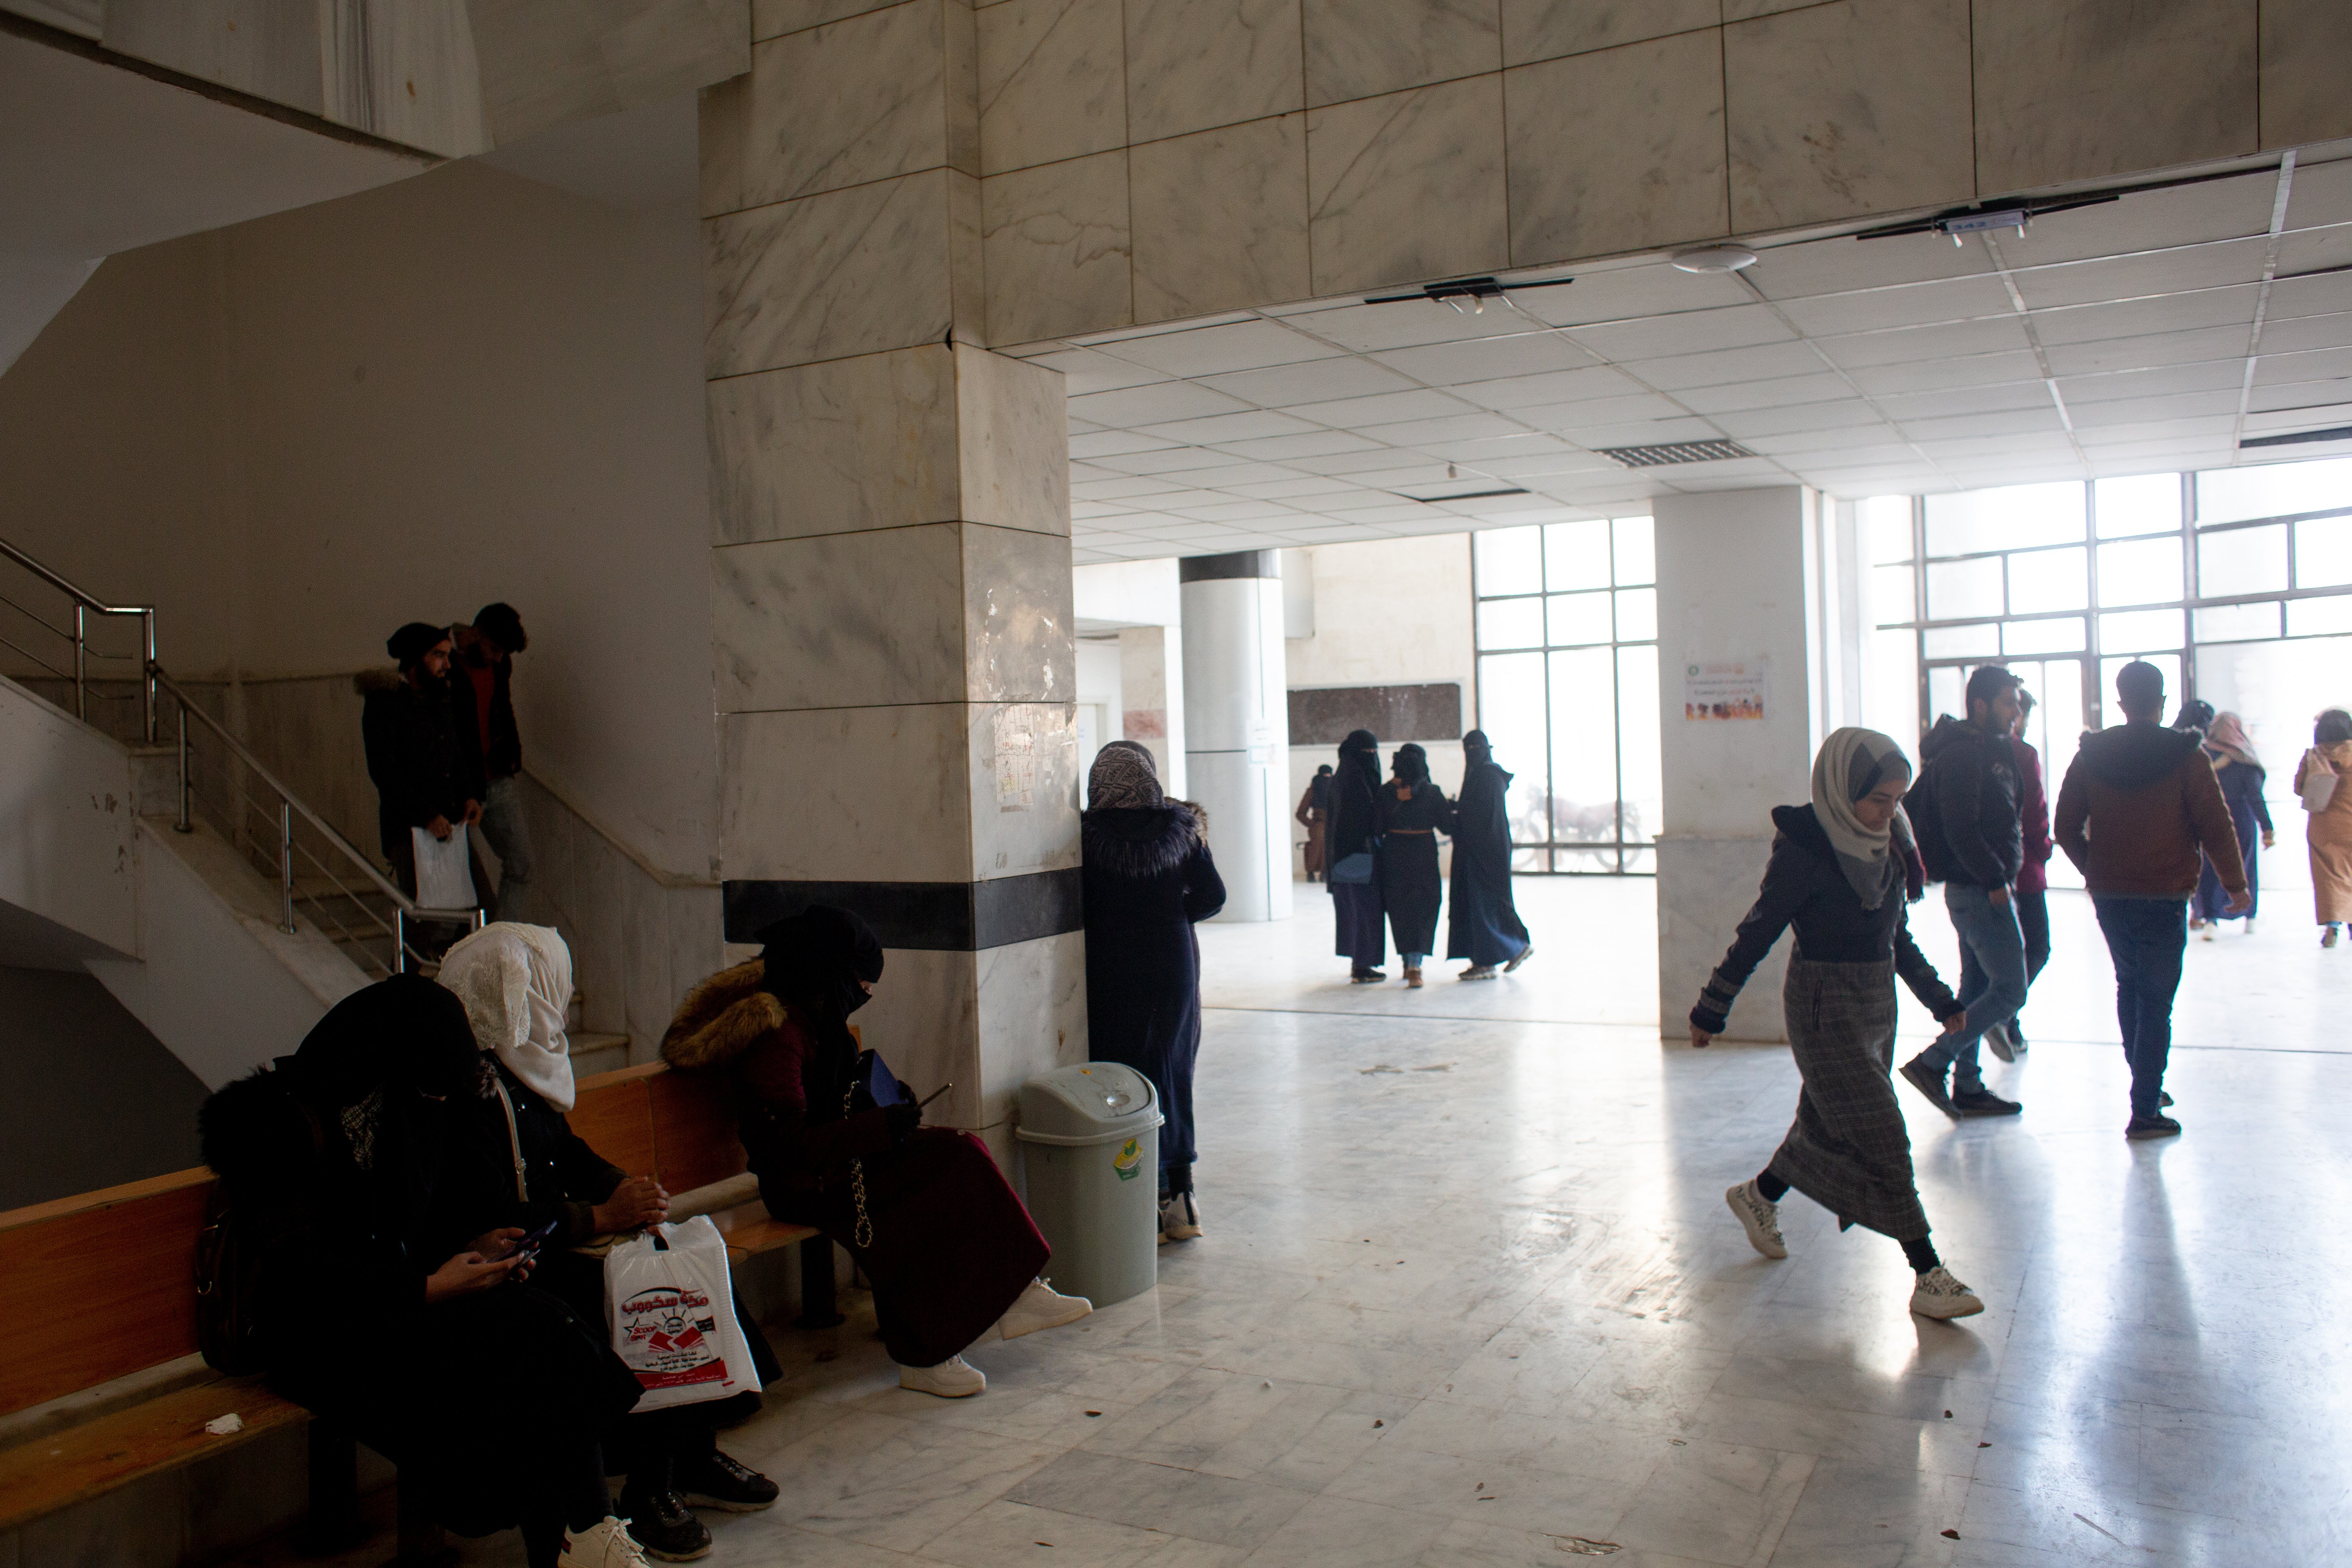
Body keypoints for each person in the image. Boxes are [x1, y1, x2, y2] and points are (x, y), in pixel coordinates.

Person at [198, 977, 652, 1568]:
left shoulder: (402, 1100)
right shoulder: (271, 1123)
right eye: (431, 1091)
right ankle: (587, 1540)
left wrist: (471, 1249)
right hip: (316, 1339)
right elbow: (302, 1277)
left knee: (539, 1328)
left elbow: (412, 1223)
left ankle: (583, 1540)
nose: (437, 1102)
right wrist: (430, 1285)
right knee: (529, 1340)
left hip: (392, 1304)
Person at [439, 923, 779, 1562]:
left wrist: (625, 1189)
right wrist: (599, 1218)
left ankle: (690, 1453)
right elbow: (490, 1215)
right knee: (637, 1307)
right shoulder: (469, 1088)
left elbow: (564, 1151)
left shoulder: (522, 1060)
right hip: (505, 1270)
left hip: (550, 1243)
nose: (562, 998)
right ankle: (648, 1492)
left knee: (692, 1274)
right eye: (552, 983)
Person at [661, 907, 1091, 1399]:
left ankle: (1015, 1293)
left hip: (838, 1163)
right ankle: (923, 1354)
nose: (865, 995)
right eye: (861, 983)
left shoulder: (810, 1009)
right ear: (828, 973)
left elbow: (833, 1090)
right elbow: (789, 1151)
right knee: (923, 1192)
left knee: (962, 1151)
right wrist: (879, 1127)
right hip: (802, 1185)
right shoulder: (775, 1037)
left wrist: (887, 1101)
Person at [1690, 729, 1984, 1321]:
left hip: (1877, 1004)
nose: (1889, 812)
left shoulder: (1892, 845)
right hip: (1823, 1009)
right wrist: (1712, 1006)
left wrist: (1939, 999)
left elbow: (1896, 936)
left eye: (1897, 799)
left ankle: (1760, 1194)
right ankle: (1928, 1271)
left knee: (1827, 1123)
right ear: (1841, 790)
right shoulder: (1806, 848)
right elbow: (1760, 929)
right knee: (1882, 1133)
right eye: (1878, 800)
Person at [2054, 661, 2249, 1138]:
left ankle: (2144, 1083)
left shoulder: (2091, 755)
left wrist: (2094, 867)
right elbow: (2215, 825)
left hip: (2112, 895)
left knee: (2130, 985)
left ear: (2121, 703)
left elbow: (2064, 827)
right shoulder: (2187, 755)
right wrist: (2237, 885)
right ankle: (2145, 1109)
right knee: (2157, 1000)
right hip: (2164, 893)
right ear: (2161, 702)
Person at [1079, 742, 1226, 1243]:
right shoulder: (1180, 832)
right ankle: (1182, 1200)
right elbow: (1213, 897)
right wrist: (1167, 915)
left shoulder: (1085, 837)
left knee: (1121, 1077)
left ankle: (1140, 1201)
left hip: (1111, 970)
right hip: (1170, 968)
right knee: (1172, 1070)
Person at [1899, 666, 2027, 1119]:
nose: (2016, 711)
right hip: (1979, 890)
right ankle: (1934, 1063)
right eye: (2009, 702)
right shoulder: (1962, 755)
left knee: (1976, 989)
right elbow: (1961, 829)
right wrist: (1995, 880)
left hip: (1982, 887)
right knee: (2012, 989)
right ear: (1981, 705)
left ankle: (1968, 1086)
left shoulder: (1990, 749)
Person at [361, 622, 483, 902]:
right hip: (410, 831)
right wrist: (426, 815)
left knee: (477, 907)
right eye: (438, 656)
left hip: (450, 823)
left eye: (447, 656)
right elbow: (384, 771)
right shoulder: (385, 704)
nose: (447, 665)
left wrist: (469, 796)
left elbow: (453, 753)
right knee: (426, 915)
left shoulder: (438, 699)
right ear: (417, 660)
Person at [450, 604, 533, 923]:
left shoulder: (500, 665)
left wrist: (513, 750)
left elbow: (503, 706)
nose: (498, 658)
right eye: (494, 649)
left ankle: (502, 943)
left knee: (522, 863)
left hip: (497, 777)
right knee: (458, 881)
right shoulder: (444, 662)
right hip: (460, 784)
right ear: (474, 634)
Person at [1990, 688, 2053, 1059]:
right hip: (2023, 868)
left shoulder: (1967, 749)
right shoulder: (2021, 753)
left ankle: (2001, 1023)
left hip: (1982, 873)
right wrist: (2042, 851)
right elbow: (2035, 812)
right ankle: (2004, 1016)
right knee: (2037, 946)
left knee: (1983, 968)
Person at [1448, 729, 1532, 980]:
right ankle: (1491, 958)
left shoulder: (1486, 777)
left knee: (1484, 906)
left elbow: (1483, 820)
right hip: (1482, 851)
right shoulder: (1483, 775)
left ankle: (1504, 953)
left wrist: (1458, 818)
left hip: (1485, 853)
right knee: (1482, 906)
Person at [2193, 711, 2272, 938]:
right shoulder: (2244, 756)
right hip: (2241, 820)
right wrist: (2267, 828)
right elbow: (2256, 797)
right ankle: (2250, 918)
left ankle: (2211, 920)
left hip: (2207, 820)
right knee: (2245, 868)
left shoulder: (2200, 753)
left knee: (2209, 869)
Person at [1379, 743, 1451, 988]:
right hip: (1424, 854)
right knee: (1425, 905)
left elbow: (1375, 828)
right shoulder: (1432, 792)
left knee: (1399, 907)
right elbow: (1448, 827)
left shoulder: (1384, 793)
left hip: (1394, 853)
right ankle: (1415, 965)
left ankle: (1407, 961)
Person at [1329, 729, 1388, 983]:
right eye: (1369, 752)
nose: (1373, 756)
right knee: (1366, 911)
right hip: (1359, 853)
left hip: (1343, 854)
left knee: (1354, 911)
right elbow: (1366, 817)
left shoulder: (1342, 774)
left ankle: (1359, 964)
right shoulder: (1357, 778)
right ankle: (1362, 967)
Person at [2295, 709, 2352, 947]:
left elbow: (2299, 788)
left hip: (2324, 827)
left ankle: (2332, 928)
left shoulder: (2314, 756)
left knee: (2329, 878)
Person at [1295, 764, 1332, 880]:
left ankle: (1325, 872)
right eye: (1325, 776)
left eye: (1329, 776)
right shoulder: (1313, 791)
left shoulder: (1336, 789)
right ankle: (1312, 872)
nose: (1327, 778)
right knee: (1318, 845)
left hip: (1333, 824)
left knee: (1331, 846)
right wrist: (1312, 824)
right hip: (1318, 823)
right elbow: (1300, 813)